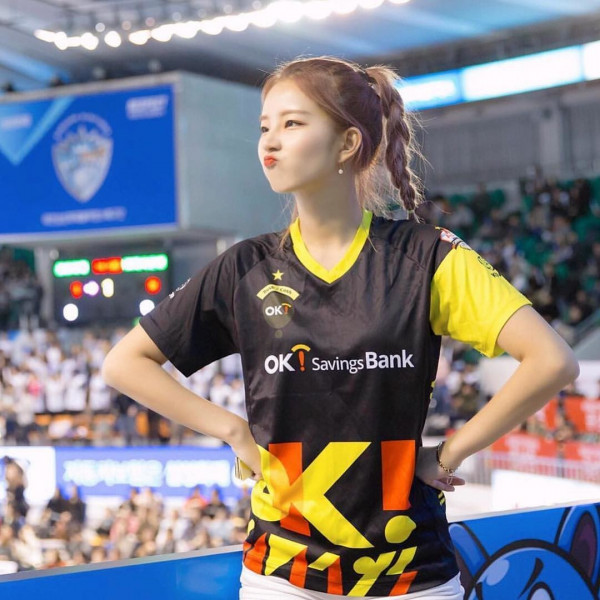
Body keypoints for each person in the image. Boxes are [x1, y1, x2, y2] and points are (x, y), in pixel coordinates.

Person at [102, 56, 579, 599]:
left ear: (348, 143)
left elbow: (552, 360)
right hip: (282, 577)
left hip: (414, 576)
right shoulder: (244, 268)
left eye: (292, 123)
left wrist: (449, 453)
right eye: (264, 126)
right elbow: (125, 364)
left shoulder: (428, 257)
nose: (269, 141)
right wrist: (231, 430)